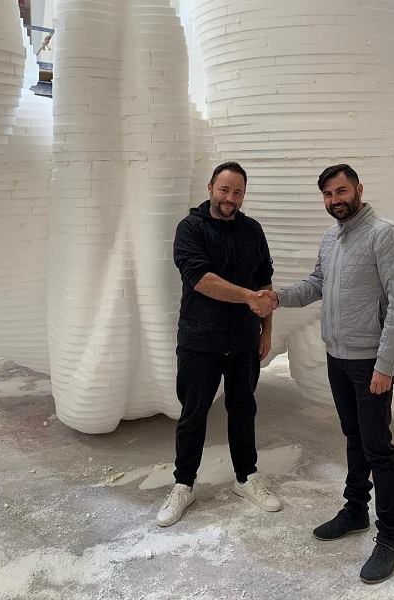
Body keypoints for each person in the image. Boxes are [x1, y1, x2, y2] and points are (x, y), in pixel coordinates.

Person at [261, 164, 394, 584]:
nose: (335, 200)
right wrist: (277, 298)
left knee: (378, 448)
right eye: (328, 195)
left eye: (341, 191)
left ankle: (391, 537)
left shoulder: (386, 235)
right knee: (354, 437)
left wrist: (385, 365)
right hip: (338, 357)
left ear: (359, 189)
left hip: (369, 363)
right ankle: (355, 510)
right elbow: (317, 284)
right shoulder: (331, 237)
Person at [157, 161, 281, 527]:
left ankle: (247, 478)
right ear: (211, 188)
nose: (230, 198)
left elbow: (265, 282)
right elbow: (201, 279)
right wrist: (248, 297)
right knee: (193, 415)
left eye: (238, 192)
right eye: (224, 190)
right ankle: (183, 485)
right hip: (199, 340)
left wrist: (266, 331)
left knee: (243, 410)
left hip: (243, 341)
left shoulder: (252, 230)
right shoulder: (190, 228)